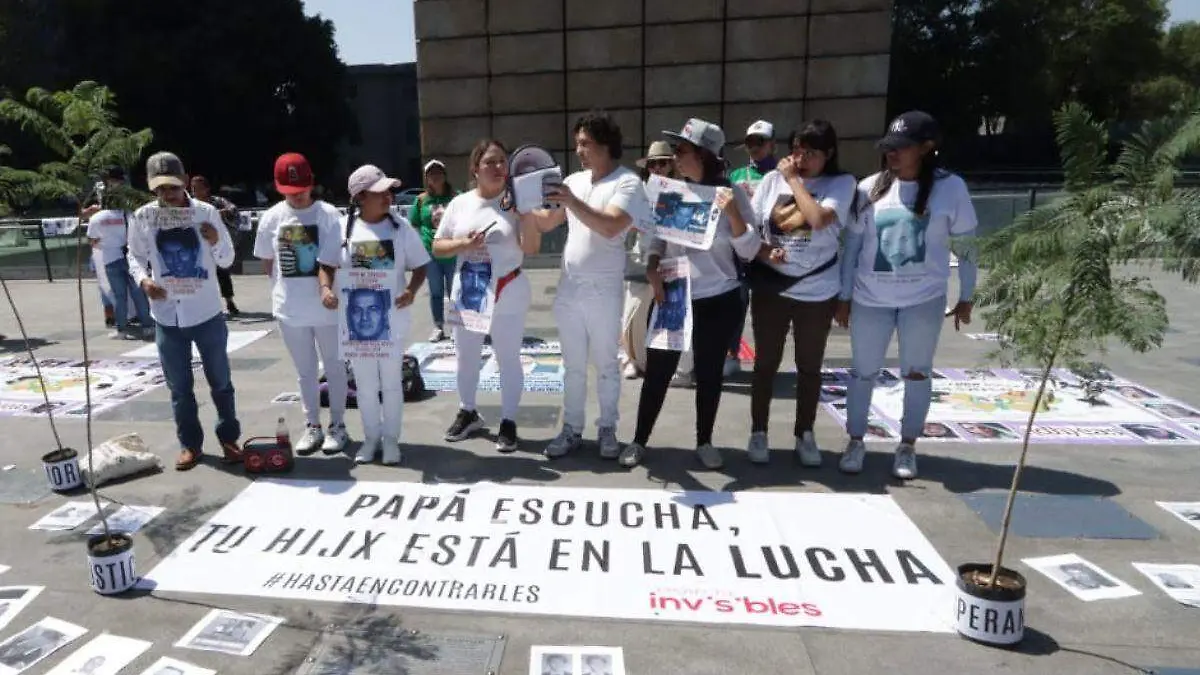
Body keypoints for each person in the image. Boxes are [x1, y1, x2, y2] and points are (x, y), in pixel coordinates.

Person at [837, 111, 978, 480]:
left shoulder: (951, 188)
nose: (892, 153)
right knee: (863, 372)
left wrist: (967, 294)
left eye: (901, 147)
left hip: (923, 301)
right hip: (870, 300)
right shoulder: (868, 188)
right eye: (889, 147)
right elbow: (852, 248)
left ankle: (907, 445)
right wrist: (844, 296)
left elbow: (967, 246)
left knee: (917, 374)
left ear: (927, 148)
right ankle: (855, 441)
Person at [621, 118, 762, 469]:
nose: (675, 156)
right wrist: (652, 264)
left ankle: (704, 441)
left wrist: (732, 212)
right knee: (658, 372)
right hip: (673, 294)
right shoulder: (672, 191)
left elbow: (749, 250)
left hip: (719, 298)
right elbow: (656, 239)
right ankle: (639, 440)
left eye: (682, 150)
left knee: (709, 374)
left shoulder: (732, 193)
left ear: (704, 154)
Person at [529, 111, 650, 460]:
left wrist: (571, 200)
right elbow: (549, 221)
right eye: (577, 143)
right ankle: (572, 429)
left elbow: (611, 226)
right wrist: (519, 204)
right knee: (573, 366)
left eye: (585, 143)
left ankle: (607, 428)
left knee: (607, 365)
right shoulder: (574, 181)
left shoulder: (628, 183)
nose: (579, 150)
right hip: (569, 288)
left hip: (604, 290)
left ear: (606, 144)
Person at [747, 120, 857, 466]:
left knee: (809, 366)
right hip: (772, 287)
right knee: (765, 364)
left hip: (817, 291)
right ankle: (759, 431)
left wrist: (794, 180)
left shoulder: (841, 183)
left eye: (810, 153)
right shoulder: (770, 181)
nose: (800, 158)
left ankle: (804, 433)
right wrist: (765, 251)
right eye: (796, 150)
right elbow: (753, 227)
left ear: (829, 153)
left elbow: (818, 219)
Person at [127, 151, 243, 471]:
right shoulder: (143, 216)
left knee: (221, 381)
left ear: (185, 182)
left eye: (173, 187)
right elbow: (134, 255)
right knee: (179, 388)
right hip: (166, 314)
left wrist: (216, 239)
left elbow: (227, 259)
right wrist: (143, 279)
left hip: (206, 312)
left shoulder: (206, 212)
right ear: (151, 187)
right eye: (161, 188)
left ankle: (229, 438)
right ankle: (190, 445)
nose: (168, 194)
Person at [433, 139, 543, 452]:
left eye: (502, 161)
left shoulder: (515, 202)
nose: (498, 167)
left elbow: (532, 248)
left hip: (508, 289)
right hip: (469, 291)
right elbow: (438, 247)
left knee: (507, 358)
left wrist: (526, 215)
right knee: (466, 356)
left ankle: (508, 420)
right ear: (475, 169)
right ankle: (468, 411)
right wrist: (463, 244)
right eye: (490, 162)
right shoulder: (460, 203)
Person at [253, 153, 349, 456]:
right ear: (279, 188)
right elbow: (268, 263)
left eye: (302, 189)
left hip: (328, 308)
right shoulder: (272, 218)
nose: (297, 195)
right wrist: (284, 290)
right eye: (290, 191)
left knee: (334, 367)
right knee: (305, 371)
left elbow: (338, 259)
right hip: (290, 309)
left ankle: (338, 425)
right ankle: (313, 425)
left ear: (311, 183)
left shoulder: (329, 214)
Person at [339, 164, 430, 465]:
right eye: (380, 192)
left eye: (389, 191)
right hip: (357, 324)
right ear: (360, 197)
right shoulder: (343, 228)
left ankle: (391, 440)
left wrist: (411, 291)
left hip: (392, 321)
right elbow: (325, 265)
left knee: (391, 383)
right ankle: (370, 438)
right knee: (365, 386)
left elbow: (421, 265)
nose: (388, 196)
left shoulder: (401, 228)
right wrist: (326, 289)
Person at [723, 120, 778, 379]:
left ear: (772, 144)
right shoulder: (735, 176)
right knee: (736, 305)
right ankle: (730, 355)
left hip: (771, 251)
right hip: (742, 251)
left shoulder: (782, 175)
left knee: (768, 312)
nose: (754, 147)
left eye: (760, 141)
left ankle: (767, 361)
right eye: (750, 143)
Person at [86, 170, 153, 340]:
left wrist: (105, 243)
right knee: (139, 295)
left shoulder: (97, 218)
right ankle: (148, 326)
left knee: (119, 296)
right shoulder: (128, 215)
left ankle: (121, 329)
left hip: (110, 259)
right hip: (131, 258)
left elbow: (92, 241)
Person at [411, 159, 458, 342]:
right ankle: (438, 326)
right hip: (430, 254)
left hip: (453, 251)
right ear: (426, 178)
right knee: (436, 291)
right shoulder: (421, 200)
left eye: (438, 173)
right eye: (431, 174)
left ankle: (456, 326)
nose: (435, 176)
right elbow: (414, 224)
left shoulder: (456, 197)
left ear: (445, 175)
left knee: (455, 290)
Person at [191, 175, 242, 317]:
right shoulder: (189, 204)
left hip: (216, 243)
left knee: (223, 273)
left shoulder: (217, 201)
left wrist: (220, 213)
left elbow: (233, 209)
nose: (195, 191)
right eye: (193, 189)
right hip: (197, 246)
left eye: (198, 188)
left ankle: (229, 301)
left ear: (206, 189)